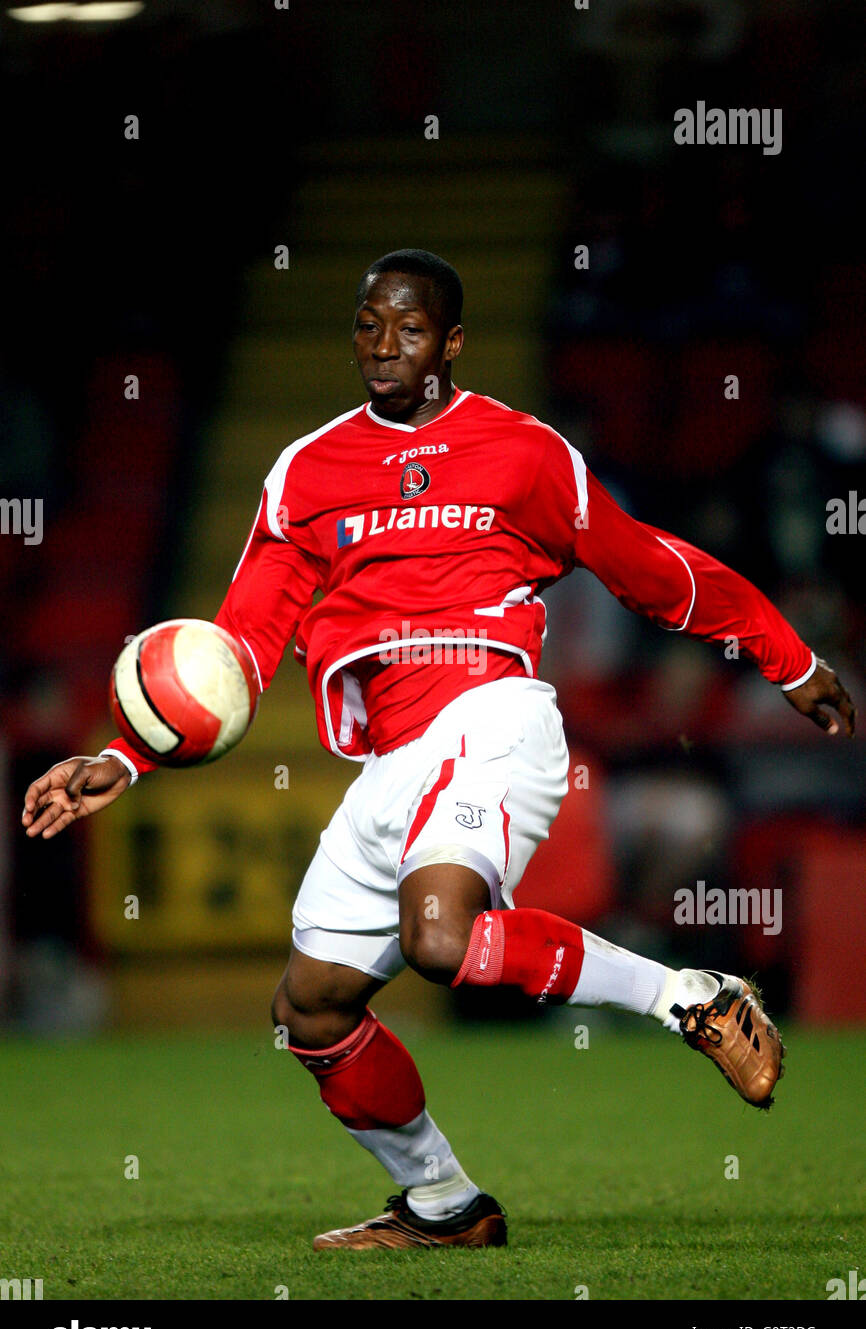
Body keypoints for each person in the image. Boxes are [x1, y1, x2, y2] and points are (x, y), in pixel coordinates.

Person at [22, 249, 856, 1251]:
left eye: (407, 327)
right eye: (367, 324)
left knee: (439, 939)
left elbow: (647, 567)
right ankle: (443, 1204)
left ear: (451, 342)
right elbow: (241, 644)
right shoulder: (306, 472)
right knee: (314, 1007)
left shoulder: (523, 452)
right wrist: (126, 753)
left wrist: (785, 654)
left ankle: (691, 996)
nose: (382, 346)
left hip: (492, 719)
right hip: (392, 761)